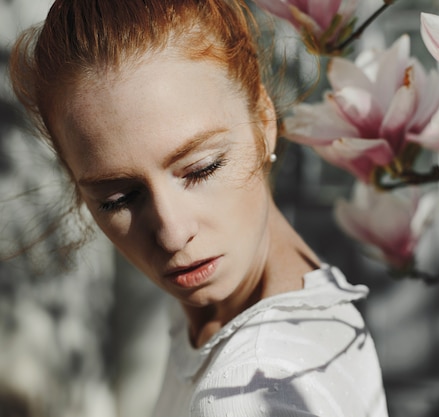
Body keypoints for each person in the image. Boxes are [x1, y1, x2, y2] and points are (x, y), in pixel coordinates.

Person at [9, 0, 389, 416]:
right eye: (117, 198)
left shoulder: (247, 390)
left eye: (201, 169)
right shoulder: (242, 305)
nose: (172, 233)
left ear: (263, 120)